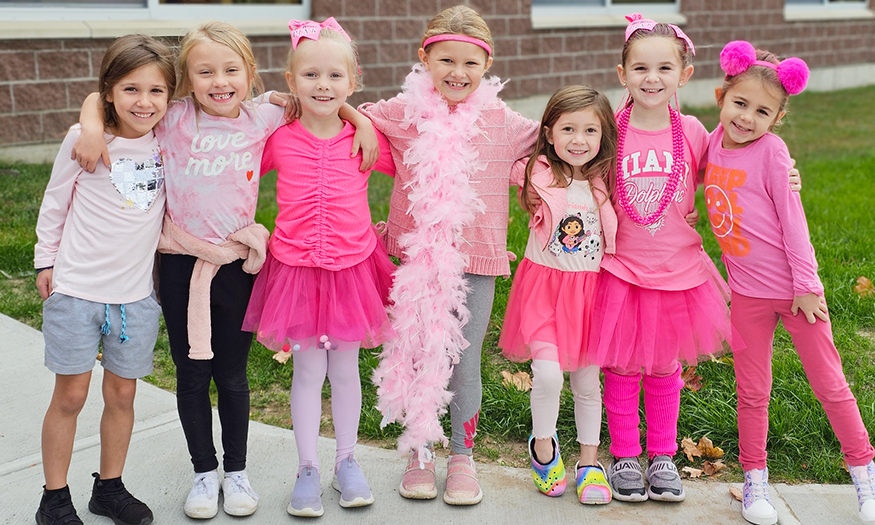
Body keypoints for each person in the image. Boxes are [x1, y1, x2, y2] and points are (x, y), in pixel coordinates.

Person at [360, 5, 540, 505]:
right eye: (445, 61)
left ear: (487, 66)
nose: (457, 73)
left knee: (463, 358)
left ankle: (462, 455)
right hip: (414, 260)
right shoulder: (402, 111)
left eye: (470, 63)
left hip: (475, 261)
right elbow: (355, 122)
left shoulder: (503, 122)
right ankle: (418, 448)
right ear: (425, 58)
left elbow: (555, 141)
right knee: (415, 351)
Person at [705, 40, 875, 525]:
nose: (747, 118)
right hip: (748, 296)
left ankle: (864, 473)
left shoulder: (773, 154)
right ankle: (755, 479)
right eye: (740, 104)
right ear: (721, 96)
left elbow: (794, 223)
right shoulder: (713, 142)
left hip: (798, 292)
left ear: (778, 118)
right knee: (752, 390)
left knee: (831, 384)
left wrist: (806, 284)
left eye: (762, 111)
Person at [241, 18, 397, 518]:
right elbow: (234, 141)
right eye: (310, 76)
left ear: (353, 83)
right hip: (297, 269)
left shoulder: (366, 139)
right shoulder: (278, 138)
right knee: (307, 371)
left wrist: (366, 121)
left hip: (352, 268)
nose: (323, 85)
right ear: (290, 82)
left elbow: (417, 166)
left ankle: (346, 461)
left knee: (346, 368)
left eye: (335, 77)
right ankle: (307, 467)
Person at [586, 13, 733, 504]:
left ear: (684, 75)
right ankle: (626, 453)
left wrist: (784, 174)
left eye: (665, 69)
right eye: (641, 68)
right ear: (622, 72)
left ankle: (663, 455)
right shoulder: (609, 129)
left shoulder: (692, 131)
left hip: (677, 271)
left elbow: (729, 171)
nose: (653, 79)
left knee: (666, 367)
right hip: (622, 269)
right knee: (623, 365)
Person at [33, 34, 175, 525]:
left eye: (157, 91)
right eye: (131, 89)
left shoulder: (169, 140)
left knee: (123, 395)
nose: (145, 101)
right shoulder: (85, 139)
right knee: (70, 395)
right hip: (77, 290)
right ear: (110, 91)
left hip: (135, 298)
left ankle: (108, 488)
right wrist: (44, 261)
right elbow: (54, 204)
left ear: (170, 98)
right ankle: (54, 498)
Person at [499, 85, 618, 505]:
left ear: (604, 135)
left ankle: (589, 462)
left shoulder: (607, 182)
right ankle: (544, 446)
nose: (579, 140)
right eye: (568, 128)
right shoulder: (536, 173)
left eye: (590, 130)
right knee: (548, 375)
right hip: (544, 290)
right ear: (548, 132)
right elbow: (492, 152)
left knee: (587, 383)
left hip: (590, 295)